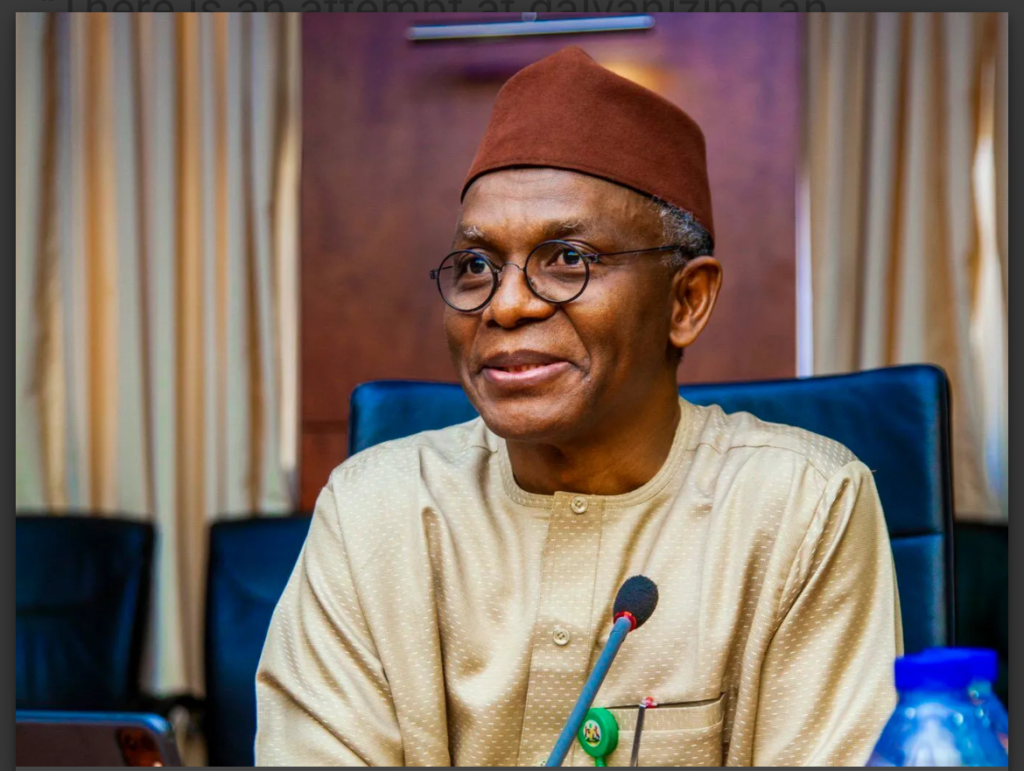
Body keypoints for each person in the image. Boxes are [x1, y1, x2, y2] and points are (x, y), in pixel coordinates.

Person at [255, 46, 902, 767]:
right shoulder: (373, 510)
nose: (505, 305)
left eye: (568, 258)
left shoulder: (803, 508)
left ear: (686, 300)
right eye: (476, 266)